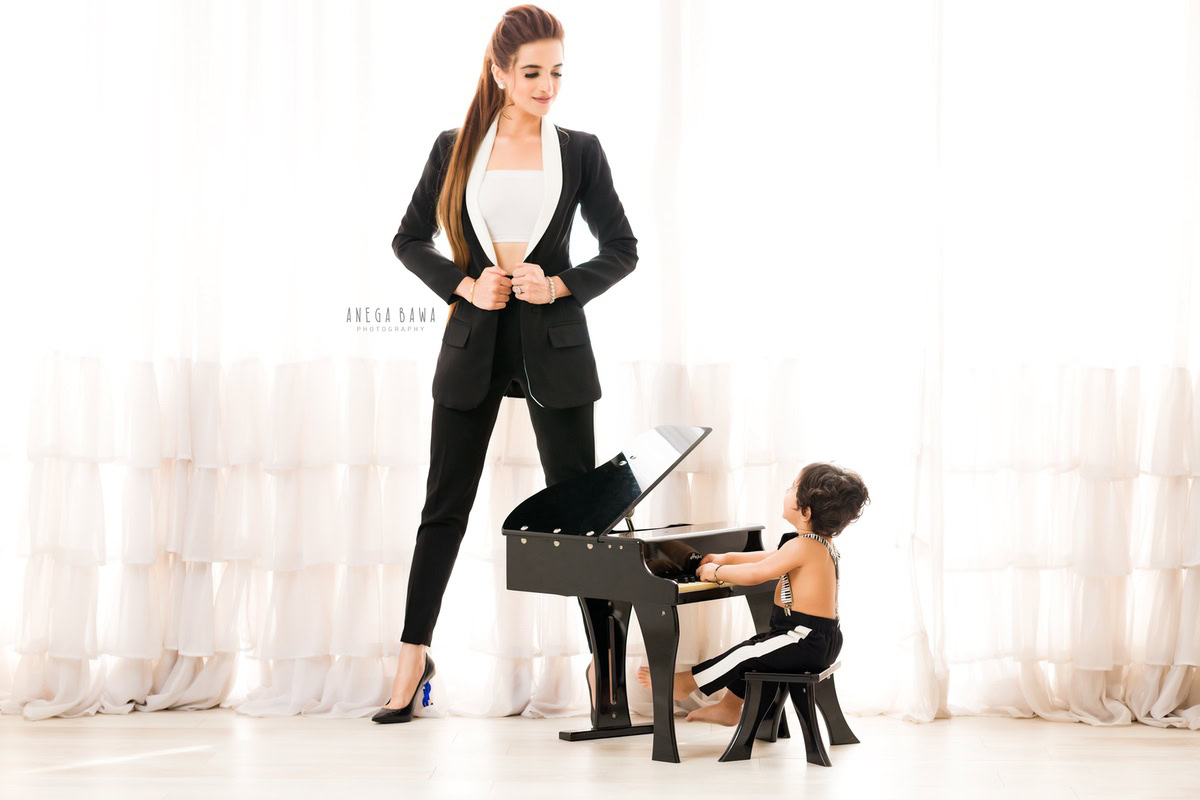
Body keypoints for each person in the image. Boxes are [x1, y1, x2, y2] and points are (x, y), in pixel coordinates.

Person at [374, 5, 638, 723]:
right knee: (444, 507)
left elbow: (622, 248)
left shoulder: (581, 151)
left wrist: (560, 285)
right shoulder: (454, 148)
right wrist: (464, 285)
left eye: (557, 73)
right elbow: (408, 239)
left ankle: (604, 666)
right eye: (532, 73)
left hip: (556, 345)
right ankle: (412, 658)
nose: (547, 86)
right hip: (473, 343)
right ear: (499, 73)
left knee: (582, 516)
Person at [636, 463, 869, 725]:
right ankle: (728, 708)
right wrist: (728, 557)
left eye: (792, 487)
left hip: (804, 639)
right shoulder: (816, 544)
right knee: (756, 651)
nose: (786, 490)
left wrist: (717, 572)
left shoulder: (803, 546)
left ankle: (687, 683)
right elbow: (768, 558)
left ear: (805, 512)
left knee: (745, 653)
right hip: (815, 637)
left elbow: (758, 573)